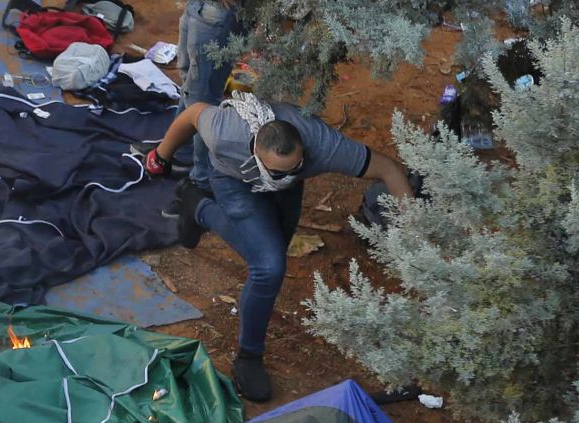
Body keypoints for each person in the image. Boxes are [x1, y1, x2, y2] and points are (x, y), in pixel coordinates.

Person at [141, 94, 415, 401]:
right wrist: (160, 157)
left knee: (273, 248)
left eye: (294, 166)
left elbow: (388, 169)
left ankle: (196, 206)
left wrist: (413, 232)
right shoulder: (226, 133)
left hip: (287, 193)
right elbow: (192, 114)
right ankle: (248, 357)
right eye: (278, 170)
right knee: (268, 267)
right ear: (255, 152)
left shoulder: (321, 145)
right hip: (234, 180)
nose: (286, 173)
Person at [177, 0, 245, 193]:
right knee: (188, 77)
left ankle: (201, 181)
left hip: (219, 11)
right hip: (198, 6)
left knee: (202, 97)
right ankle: (182, 150)